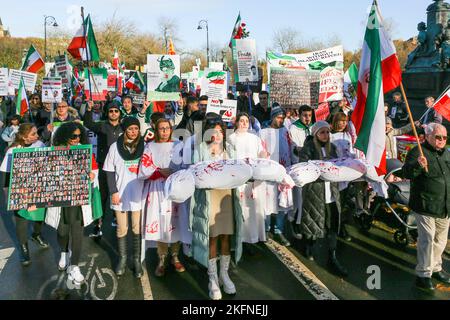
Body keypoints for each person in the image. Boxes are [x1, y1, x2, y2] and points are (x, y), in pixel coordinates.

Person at [190, 117, 242, 300]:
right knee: (212, 237)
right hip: (209, 197)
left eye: (220, 131)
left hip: (227, 197)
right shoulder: (200, 149)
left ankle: (224, 274)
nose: (217, 134)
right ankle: (212, 278)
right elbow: (195, 172)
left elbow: (239, 171)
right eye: (213, 131)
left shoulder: (231, 149)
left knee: (226, 236)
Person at [46, 122, 97, 285]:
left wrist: (92, 176)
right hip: (60, 199)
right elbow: (47, 173)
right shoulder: (55, 151)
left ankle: (74, 266)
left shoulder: (85, 150)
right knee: (62, 231)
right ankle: (63, 252)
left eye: (79, 136)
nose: (76, 139)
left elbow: (94, 170)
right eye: (73, 136)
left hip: (79, 199)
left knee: (77, 233)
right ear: (64, 135)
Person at [400, 123, 450, 290]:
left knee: (440, 240)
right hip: (425, 204)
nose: (442, 140)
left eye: (444, 137)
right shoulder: (418, 152)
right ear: (428, 136)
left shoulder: (446, 154)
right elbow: (406, 173)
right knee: (427, 240)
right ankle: (423, 273)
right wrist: (418, 166)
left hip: (444, 205)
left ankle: (435, 267)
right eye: (438, 137)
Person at [139, 118, 190, 277]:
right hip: (157, 189)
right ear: (156, 130)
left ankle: (175, 256)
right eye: (161, 128)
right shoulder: (150, 146)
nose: (164, 131)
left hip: (175, 188)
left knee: (175, 221)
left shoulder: (178, 145)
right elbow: (145, 168)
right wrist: (160, 172)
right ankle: (162, 258)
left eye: (167, 128)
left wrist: (173, 172)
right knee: (161, 223)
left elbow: (186, 166)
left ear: (170, 129)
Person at [298, 121, 348, 277]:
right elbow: (303, 168)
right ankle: (309, 245)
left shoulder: (332, 148)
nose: (326, 135)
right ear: (315, 134)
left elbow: (337, 166)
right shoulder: (308, 149)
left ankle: (332, 256)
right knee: (313, 221)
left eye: (327, 132)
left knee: (333, 223)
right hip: (315, 192)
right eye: (322, 132)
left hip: (332, 193)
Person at [0, 123, 48, 266]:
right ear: (24, 136)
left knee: (40, 215)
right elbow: (5, 173)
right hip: (20, 189)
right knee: (21, 219)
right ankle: (24, 249)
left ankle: (36, 234)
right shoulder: (12, 150)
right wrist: (8, 192)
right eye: (33, 133)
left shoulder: (40, 145)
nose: (37, 136)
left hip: (38, 187)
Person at [103, 117, 145, 278]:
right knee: (122, 228)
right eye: (130, 129)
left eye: (136, 129)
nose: (133, 132)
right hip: (120, 194)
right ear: (125, 130)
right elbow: (109, 171)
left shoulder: (144, 146)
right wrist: (113, 191)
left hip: (138, 194)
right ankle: (122, 258)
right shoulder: (115, 147)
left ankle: (136, 260)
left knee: (136, 228)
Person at [84, 100, 123, 236]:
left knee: (117, 194)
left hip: (119, 167)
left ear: (119, 112)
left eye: (116, 111)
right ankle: (98, 224)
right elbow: (88, 124)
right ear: (107, 113)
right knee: (102, 196)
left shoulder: (124, 127)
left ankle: (117, 219)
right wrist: (88, 109)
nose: (113, 113)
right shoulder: (102, 126)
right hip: (103, 166)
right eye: (111, 111)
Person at [228, 113, 268, 244]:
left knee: (255, 209)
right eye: (241, 121)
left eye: (246, 121)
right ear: (237, 123)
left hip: (254, 179)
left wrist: (263, 154)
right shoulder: (231, 138)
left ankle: (256, 237)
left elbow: (261, 151)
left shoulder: (254, 138)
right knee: (242, 210)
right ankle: (242, 239)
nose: (244, 123)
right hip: (240, 180)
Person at [259, 105, 292, 246]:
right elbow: (259, 150)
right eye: (278, 117)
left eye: (283, 118)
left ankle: (279, 230)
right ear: (273, 117)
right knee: (267, 202)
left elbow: (290, 148)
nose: (281, 120)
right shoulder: (263, 132)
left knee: (282, 202)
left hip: (283, 171)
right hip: (268, 172)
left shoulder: (285, 131)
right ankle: (265, 229)